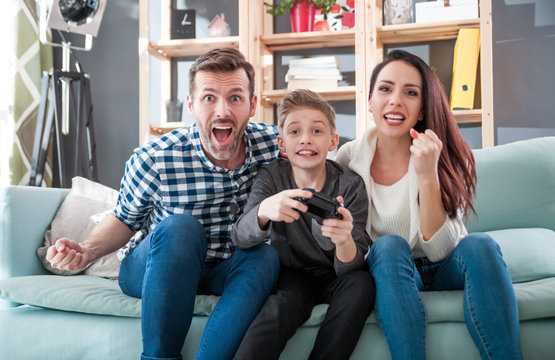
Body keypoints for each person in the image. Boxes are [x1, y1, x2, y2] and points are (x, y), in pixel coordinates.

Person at [45, 48, 281, 360]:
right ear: (191, 104)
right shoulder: (155, 157)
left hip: (224, 269)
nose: (222, 110)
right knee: (181, 227)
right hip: (158, 267)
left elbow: (321, 164)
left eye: (235, 98)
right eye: (209, 97)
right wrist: (86, 250)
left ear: (252, 105)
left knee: (264, 256)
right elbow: (125, 219)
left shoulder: (275, 145)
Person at [336, 49, 522, 360]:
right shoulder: (349, 157)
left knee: (481, 245)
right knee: (388, 246)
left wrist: (427, 175)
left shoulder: (443, 152)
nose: (395, 100)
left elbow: (439, 251)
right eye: (385, 89)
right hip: (393, 268)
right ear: (369, 101)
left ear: (422, 109)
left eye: (410, 93)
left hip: (447, 264)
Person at [232, 89, 375, 360]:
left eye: (317, 131)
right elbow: (240, 235)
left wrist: (344, 240)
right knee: (279, 306)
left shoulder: (350, 184)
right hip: (292, 275)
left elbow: (352, 267)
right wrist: (264, 210)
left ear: (333, 140)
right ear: (282, 144)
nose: (306, 139)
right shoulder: (271, 176)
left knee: (362, 284)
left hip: (337, 276)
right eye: (295, 132)